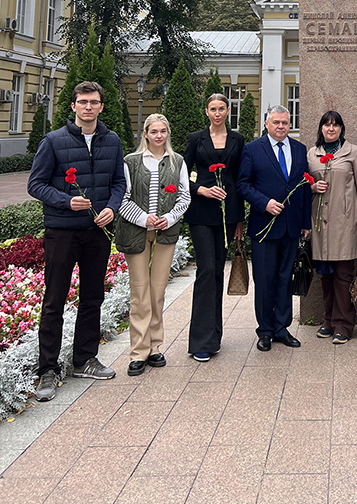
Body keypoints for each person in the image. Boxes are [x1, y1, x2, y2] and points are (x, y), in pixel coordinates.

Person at [28, 81, 126, 402]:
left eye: (94, 102)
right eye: (82, 101)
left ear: (101, 106)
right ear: (73, 106)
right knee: (54, 299)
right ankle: (47, 370)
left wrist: (112, 207)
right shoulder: (53, 141)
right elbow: (36, 184)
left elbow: (118, 182)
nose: (88, 107)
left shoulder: (111, 141)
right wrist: (64, 201)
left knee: (92, 297)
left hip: (96, 232)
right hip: (62, 231)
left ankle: (84, 359)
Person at [115, 114, 190, 375]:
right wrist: (143, 217)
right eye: (154, 131)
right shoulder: (131, 162)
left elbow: (184, 196)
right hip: (136, 233)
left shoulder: (177, 161)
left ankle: (155, 347)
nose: (159, 136)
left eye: (163, 131)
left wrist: (169, 218)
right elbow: (122, 198)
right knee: (140, 293)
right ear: (145, 134)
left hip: (164, 234)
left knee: (157, 292)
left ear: (168, 133)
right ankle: (138, 351)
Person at [238, 105, 311, 351]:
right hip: (264, 228)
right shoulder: (252, 150)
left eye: (285, 123)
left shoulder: (300, 150)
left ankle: (282, 328)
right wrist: (264, 203)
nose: (281, 126)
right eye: (276, 122)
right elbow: (243, 185)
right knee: (265, 279)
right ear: (267, 124)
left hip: (291, 228)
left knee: (284, 279)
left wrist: (305, 223)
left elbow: (303, 189)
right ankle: (265, 331)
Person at [183, 93, 245, 362]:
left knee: (218, 271)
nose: (217, 113)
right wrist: (201, 190)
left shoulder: (237, 140)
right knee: (206, 270)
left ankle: (213, 337)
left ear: (228, 110)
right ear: (206, 111)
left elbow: (241, 178)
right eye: (213, 109)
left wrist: (240, 219)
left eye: (222, 108)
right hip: (200, 212)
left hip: (228, 214)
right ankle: (200, 341)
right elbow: (181, 175)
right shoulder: (196, 139)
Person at [307, 110, 357, 345]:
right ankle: (328, 320)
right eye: (326, 125)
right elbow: (305, 184)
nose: (331, 129)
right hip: (320, 223)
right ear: (321, 128)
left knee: (344, 274)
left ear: (342, 129)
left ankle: (344, 324)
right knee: (324, 276)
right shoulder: (312, 154)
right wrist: (314, 188)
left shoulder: (353, 153)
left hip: (346, 223)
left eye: (335, 125)